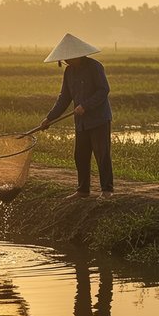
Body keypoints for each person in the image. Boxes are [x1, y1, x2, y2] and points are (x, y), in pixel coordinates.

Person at [38, 33, 114, 199]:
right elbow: (64, 97)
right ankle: (83, 190)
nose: (67, 61)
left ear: (78, 55)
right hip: (81, 122)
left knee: (102, 154)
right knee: (80, 155)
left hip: (99, 119)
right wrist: (49, 118)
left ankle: (107, 189)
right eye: (66, 59)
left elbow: (103, 90)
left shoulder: (95, 67)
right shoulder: (69, 72)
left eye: (69, 58)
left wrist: (85, 106)